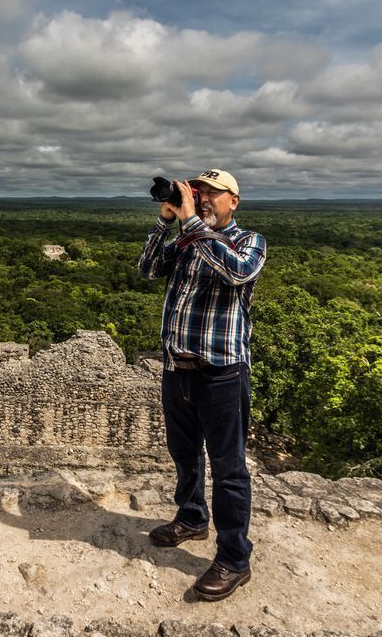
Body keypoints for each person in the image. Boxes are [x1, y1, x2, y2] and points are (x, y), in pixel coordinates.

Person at [137, 168, 267, 601]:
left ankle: (234, 558)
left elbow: (237, 274)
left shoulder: (250, 242)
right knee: (185, 453)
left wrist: (193, 222)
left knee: (229, 468)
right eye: (198, 192)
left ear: (235, 201)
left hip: (222, 372)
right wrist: (166, 222)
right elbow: (148, 269)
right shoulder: (188, 241)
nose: (205, 199)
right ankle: (192, 517)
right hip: (178, 367)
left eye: (213, 193)